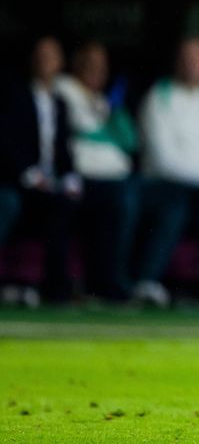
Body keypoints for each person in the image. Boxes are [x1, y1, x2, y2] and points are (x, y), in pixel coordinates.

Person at [136, 36, 199, 306]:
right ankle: (147, 281)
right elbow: (162, 157)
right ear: (177, 61)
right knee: (177, 206)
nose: (192, 64)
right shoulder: (158, 96)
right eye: (187, 57)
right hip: (161, 183)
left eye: (198, 58)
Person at [54, 42, 139, 300]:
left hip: (110, 178)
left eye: (102, 66)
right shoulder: (64, 88)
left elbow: (130, 142)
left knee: (125, 200)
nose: (96, 70)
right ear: (76, 64)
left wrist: (116, 115)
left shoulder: (103, 101)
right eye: (90, 63)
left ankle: (111, 282)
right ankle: (67, 285)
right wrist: (106, 133)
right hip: (75, 174)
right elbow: (81, 130)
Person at [0, 36, 81, 304]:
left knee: (67, 203)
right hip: (17, 183)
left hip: (49, 186)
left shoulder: (60, 103)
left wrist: (70, 178)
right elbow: (6, 143)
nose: (45, 61)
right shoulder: (14, 95)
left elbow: (65, 152)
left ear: (60, 62)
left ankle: (57, 290)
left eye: (51, 56)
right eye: (41, 55)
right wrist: (31, 176)